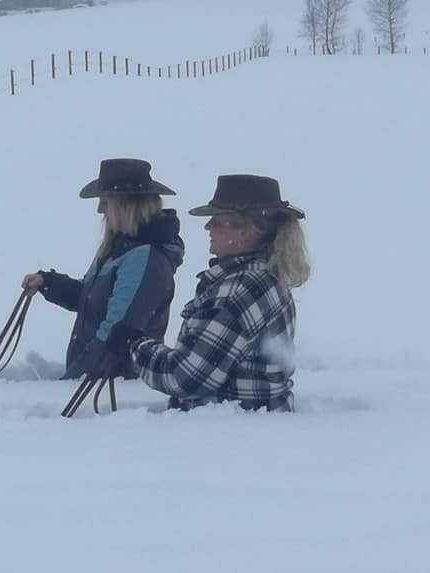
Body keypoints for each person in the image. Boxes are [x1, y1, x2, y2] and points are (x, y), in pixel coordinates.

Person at [96, 174, 310, 412]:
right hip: (247, 430)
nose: (208, 227)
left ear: (246, 230)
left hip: (228, 434)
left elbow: (185, 377)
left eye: (217, 220)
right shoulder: (264, 277)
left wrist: (134, 345)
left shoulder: (238, 290)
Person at [22, 158, 184, 379]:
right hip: (100, 383)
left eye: (105, 201)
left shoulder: (143, 257)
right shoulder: (122, 249)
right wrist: (49, 282)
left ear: (127, 205)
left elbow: (116, 332)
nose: (99, 210)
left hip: (111, 385)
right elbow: (93, 300)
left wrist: (75, 378)